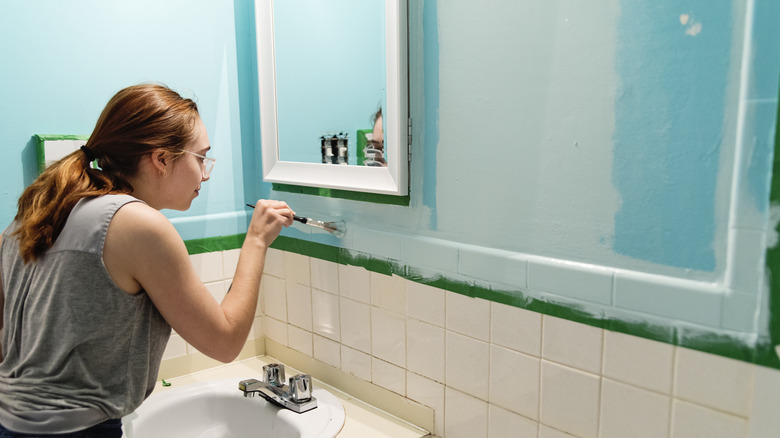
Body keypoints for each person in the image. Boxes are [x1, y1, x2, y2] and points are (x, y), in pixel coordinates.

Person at [0, 83, 294, 437]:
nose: (205, 173)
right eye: (201, 157)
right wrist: (257, 240)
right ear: (161, 159)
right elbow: (225, 342)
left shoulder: (39, 211)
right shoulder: (138, 224)